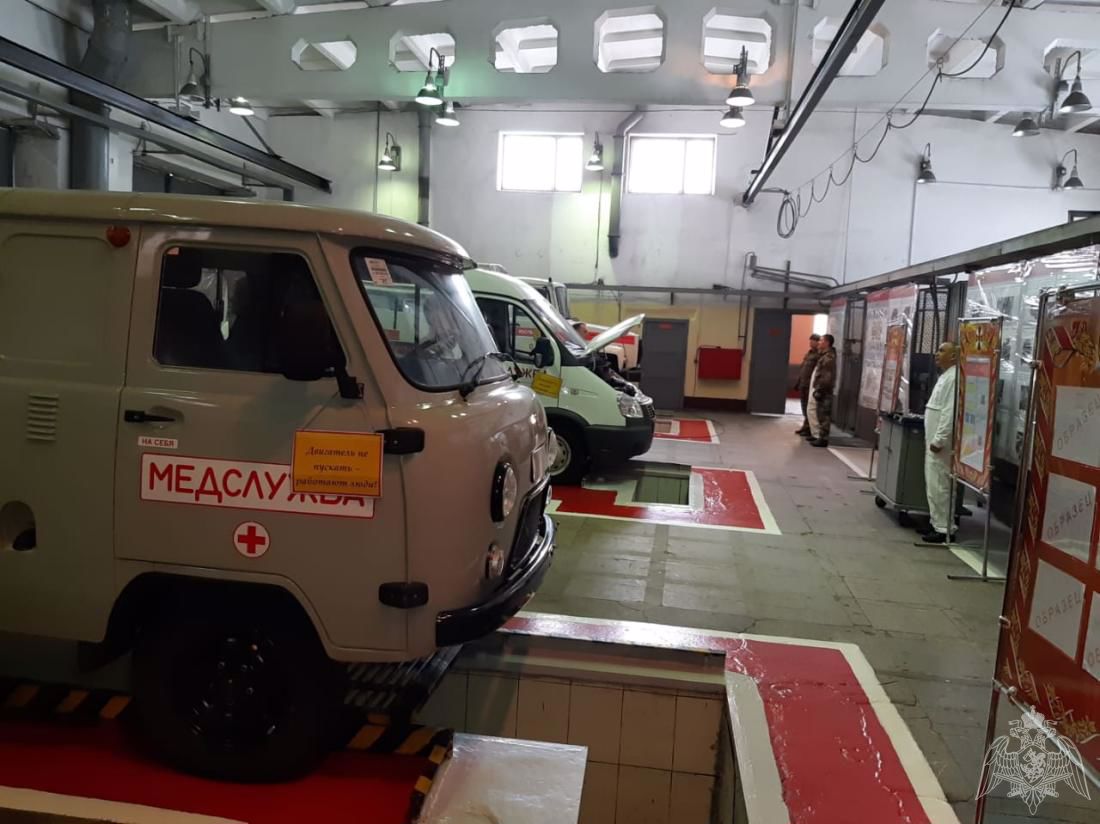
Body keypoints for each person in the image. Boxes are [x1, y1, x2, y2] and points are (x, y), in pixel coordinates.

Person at [921, 342, 960, 544]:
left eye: (942, 350)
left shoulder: (954, 378)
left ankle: (944, 528)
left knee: (940, 484)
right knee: (934, 484)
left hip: (941, 444)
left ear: (954, 356)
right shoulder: (946, 376)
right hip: (933, 440)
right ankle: (936, 521)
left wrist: (939, 439)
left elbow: (949, 413)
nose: (937, 353)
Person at [806, 334, 837, 447]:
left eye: (821, 341)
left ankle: (823, 438)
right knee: (814, 411)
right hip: (818, 387)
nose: (819, 342)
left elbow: (827, 377)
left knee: (823, 414)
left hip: (823, 390)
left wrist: (820, 390)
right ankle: (816, 434)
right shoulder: (823, 355)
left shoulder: (829, 357)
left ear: (827, 343)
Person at [794, 333, 822, 436]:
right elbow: (803, 369)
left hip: (810, 385)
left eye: (813, 341)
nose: (810, 342)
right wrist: (798, 382)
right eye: (810, 340)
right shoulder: (809, 353)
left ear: (817, 342)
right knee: (804, 406)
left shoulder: (819, 355)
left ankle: (809, 428)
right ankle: (805, 426)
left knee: (809, 408)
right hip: (803, 383)